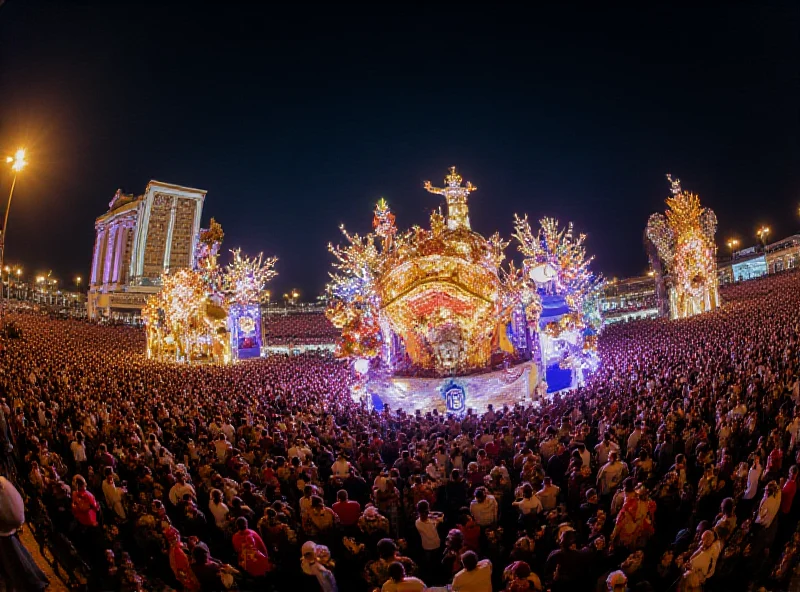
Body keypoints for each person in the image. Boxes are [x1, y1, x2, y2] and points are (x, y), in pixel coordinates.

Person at [0, 474, 49, 591]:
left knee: (15, 560)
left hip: (5, 532)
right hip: (7, 531)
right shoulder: (3, 482)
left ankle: (32, 584)